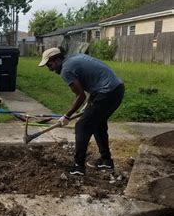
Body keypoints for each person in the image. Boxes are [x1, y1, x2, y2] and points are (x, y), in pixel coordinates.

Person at [38, 47, 124, 176]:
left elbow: (80, 95)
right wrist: (89, 104)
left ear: (56, 60)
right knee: (98, 124)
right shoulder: (73, 58)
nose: (50, 69)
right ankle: (106, 161)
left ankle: (78, 167)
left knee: (82, 126)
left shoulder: (66, 69)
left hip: (106, 92)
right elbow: (94, 80)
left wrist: (67, 116)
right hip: (117, 89)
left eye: (50, 65)